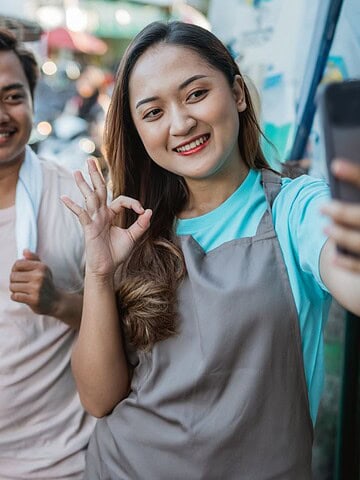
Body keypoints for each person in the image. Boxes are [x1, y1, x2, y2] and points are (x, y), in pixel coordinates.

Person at [62, 21, 360, 479]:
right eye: (153, 112)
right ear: (138, 131)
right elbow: (99, 398)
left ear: (237, 93)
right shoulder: (132, 229)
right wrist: (100, 273)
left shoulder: (295, 209)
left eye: (196, 94)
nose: (181, 124)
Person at [0, 29, 95, 478]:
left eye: (12, 96)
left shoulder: (75, 200)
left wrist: (57, 302)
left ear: (33, 101)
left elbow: (132, 327)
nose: (2, 114)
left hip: (59, 464)